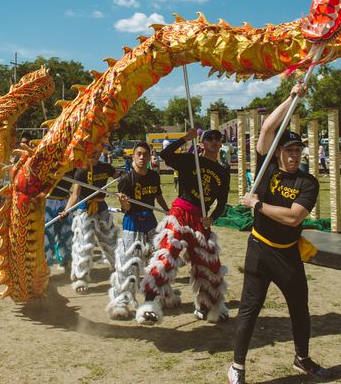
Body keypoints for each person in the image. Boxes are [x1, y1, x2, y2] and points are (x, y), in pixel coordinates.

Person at [229, 82, 330, 384]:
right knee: (249, 309)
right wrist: (291, 97)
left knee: (299, 308)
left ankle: (302, 359)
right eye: (289, 150)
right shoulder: (267, 168)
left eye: (298, 150)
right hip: (259, 250)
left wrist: (257, 205)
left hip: (287, 254)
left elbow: (294, 217)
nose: (294, 155)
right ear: (278, 154)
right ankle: (237, 367)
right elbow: (266, 129)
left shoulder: (308, 182)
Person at [137, 129, 230, 326]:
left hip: (200, 219)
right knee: (167, 255)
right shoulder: (190, 160)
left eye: (217, 138)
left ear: (221, 143)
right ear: (202, 144)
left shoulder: (223, 171)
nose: (214, 141)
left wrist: (212, 218)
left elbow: (222, 202)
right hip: (180, 212)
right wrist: (184, 139)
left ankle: (208, 306)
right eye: (209, 138)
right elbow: (166, 154)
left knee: (210, 264)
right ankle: (149, 305)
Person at [107, 142, 168, 320]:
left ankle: (153, 297)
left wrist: (167, 210)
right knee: (129, 266)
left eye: (145, 154)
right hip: (132, 223)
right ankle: (122, 301)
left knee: (158, 261)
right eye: (138, 154)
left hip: (150, 221)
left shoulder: (154, 176)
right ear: (133, 156)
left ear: (149, 157)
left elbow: (158, 195)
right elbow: (126, 208)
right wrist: (124, 202)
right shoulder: (126, 180)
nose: (142, 157)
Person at [65, 145, 119, 293]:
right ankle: (81, 277)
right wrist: (66, 210)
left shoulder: (106, 167)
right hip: (85, 210)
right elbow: (75, 195)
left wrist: (123, 178)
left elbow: (119, 178)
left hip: (102, 208)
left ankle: (118, 269)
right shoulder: (81, 171)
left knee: (110, 240)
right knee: (84, 244)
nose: (96, 155)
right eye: (93, 152)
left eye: (98, 152)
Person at [43, 170, 76, 272]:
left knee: (66, 233)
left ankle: (64, 260)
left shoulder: (75, 168)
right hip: (48, 202)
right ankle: (45, 266)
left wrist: (67, 209)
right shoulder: (49, 165)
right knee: (47, 234)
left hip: (65, 203)